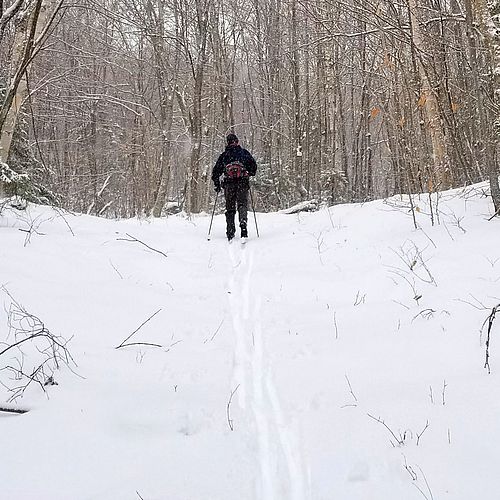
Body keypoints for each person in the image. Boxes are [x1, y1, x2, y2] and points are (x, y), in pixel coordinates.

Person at [211, 133, 257, 241]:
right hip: (242, 183)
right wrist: (248, 173)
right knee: (242, 204)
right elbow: (254, 167)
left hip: (229, 184)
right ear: (237, 142)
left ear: (227, 143)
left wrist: (217, 185)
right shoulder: (244, 153)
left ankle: (230, 231)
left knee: (230, 207)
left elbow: (215, 172)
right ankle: (243, 225)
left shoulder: (224, 155)